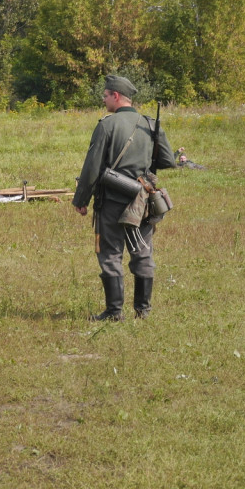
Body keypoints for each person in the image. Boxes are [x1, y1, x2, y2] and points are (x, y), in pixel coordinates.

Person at [72, 75, 176, 320]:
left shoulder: (107, 125)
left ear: (116, 96)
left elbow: (92, 167)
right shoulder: (150, 124)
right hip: (142, 202)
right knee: (142, 251)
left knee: (110, 253)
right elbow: (168, 161)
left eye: (106, 95)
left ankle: (113, 311)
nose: (104, 99)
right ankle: (143, 310)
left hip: (112, 201)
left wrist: (80, 200)